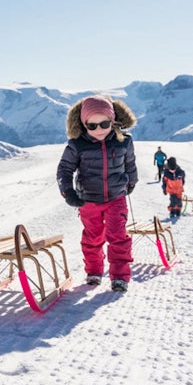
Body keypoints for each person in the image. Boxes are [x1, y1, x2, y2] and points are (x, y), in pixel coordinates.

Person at [56, 95, 137, 293]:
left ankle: (119, 277)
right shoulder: (77, 145)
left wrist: (131, 182)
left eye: (104, 124)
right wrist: (68, 192)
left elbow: (130, 164)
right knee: (93, 238)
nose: (99, 130)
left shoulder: (123, 142)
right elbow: (64, 169)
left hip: (116, 198)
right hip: (88, 200)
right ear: (84, 126)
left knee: (118, 236)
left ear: (113, 121)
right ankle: (94, 272)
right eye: (92, 126)